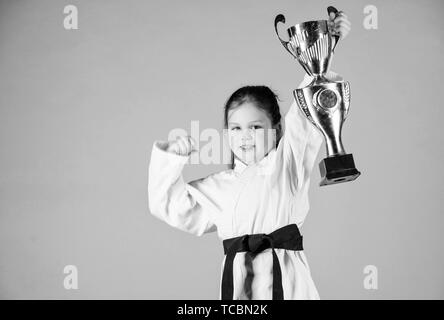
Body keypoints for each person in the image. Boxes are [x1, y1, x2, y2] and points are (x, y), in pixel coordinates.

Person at [148, 10, 351, 300]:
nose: (244, 136)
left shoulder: (288, 163)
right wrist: (172, 157)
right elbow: (168, 205)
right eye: (236, 128)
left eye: (255, 127)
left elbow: (307, 115)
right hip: (239, 291)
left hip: (290, 287)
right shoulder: (219, 186)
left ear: (276, 129)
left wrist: (324, 48)